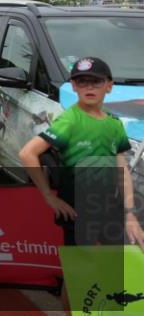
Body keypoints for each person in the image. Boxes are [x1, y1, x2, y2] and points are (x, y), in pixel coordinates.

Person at [19, 56, 143, 249]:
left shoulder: (114, 124)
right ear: (74, 86)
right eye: (82, 82)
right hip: (77, 208)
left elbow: (122, 169)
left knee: (116, 261)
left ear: (109, 86)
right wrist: (49, 197)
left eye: (96, 82)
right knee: (80, 270)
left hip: (108, 207)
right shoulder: (70, 121)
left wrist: (130, 213)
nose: (89, 87)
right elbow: (28, 153)